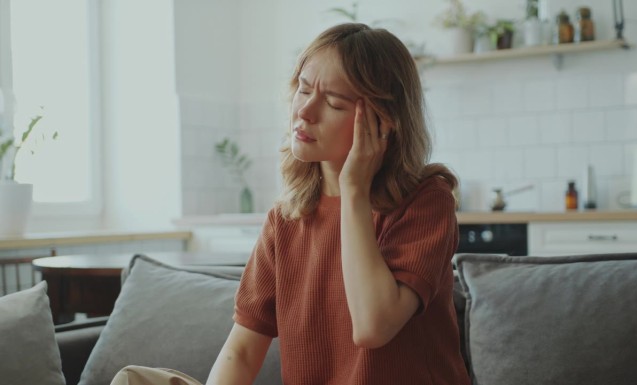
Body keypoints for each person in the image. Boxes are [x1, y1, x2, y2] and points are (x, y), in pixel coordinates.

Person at [112, 22, 471, 385]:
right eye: (303, 88)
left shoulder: (427, 202)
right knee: (134, 381)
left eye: (333, 102)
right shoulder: (285, 221)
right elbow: (241, 351)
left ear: (383, 123)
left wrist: (353, 190)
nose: (306, 111)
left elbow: (373, 326)